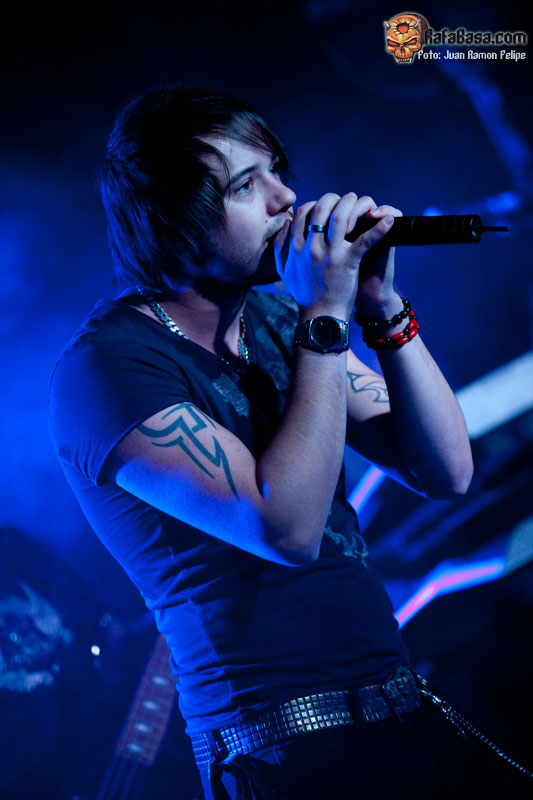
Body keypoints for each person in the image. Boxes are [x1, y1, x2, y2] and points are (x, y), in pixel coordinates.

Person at [48, 87, 526, 799]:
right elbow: (287, 529)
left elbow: (446, 469)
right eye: (246, 185)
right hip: (282, 754)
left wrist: (380, 306)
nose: (286, 198)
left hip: (401, 709)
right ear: (172, 220)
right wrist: (325, 313)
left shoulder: (276, 322)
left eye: (276, 170)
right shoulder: (108, 368)